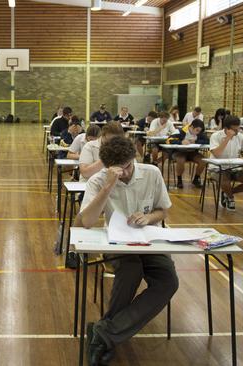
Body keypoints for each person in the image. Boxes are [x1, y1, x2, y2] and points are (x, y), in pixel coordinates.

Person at [76, 135, 177, 366]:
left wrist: (149, 217)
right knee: (130, 270)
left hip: (150, 241)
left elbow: (163, 211)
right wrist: (109, 185)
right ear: (108, 167)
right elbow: (88, 222)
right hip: (117, 243)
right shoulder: (98, 181)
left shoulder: (151, 173)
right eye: (120, 169)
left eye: (129, 165)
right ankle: (109, 335)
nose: (127, 172)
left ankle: (104, 332)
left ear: (135, 158)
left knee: (169, 281)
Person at [209, 115, 243, 211]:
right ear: (226, 128)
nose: (237, 131)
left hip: (235, 168)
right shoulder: (215, 136)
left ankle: (227, 193)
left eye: (238, 128)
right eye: (235, 130)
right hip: (217, 168)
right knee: (225, 182)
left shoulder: (240, 136)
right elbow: (217, 154)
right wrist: (227, 138)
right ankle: (230, 198)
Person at [167, 119, 208, 188]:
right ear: (191, 127)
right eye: (197, 130)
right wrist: (181, 142)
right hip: (179, 152)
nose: (198, 133)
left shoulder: (200, 133)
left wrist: (196, 141)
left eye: (199, 131)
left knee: (203, 160)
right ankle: (179, 180)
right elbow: (169, 140)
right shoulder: (180, 131)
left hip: (192, 152)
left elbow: (207, 141)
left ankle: (196, 179)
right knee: (181, 160)